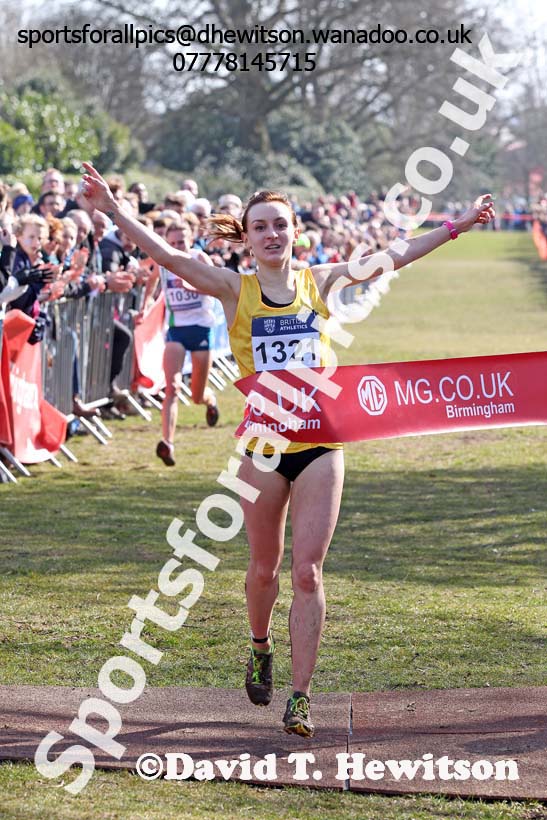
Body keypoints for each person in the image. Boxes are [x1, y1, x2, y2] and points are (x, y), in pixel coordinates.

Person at [81, 161, 495, 738]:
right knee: (263, 571)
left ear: (294, 230)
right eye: (260, 227)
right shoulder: (235, 289)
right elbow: (172, 260)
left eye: (280, 224)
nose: (272, 234)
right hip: (263, 447)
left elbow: (394, 255)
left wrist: (459, 227)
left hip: (322, 443)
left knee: (308, 573)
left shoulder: (319, 281)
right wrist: (113, 209)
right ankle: (259, 645)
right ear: (246, 237)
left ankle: (300, 698)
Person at [139, 220, 220, 466]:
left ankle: (209, 400)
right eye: (172, 243)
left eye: (181, 242)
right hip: (176, 330)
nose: (176, 247)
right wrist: (145, 307)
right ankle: (168, 443)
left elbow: (219, 288)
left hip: (201, 328)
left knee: (196, 395)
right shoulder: (164, 262)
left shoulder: (200, 258)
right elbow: (152, 280)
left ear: (191, 239)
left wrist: (196, 288)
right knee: (172, 388)